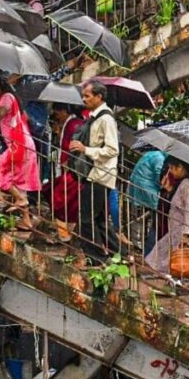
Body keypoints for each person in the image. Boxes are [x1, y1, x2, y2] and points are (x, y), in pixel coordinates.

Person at [145, 159, 189, 294]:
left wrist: (186, 235)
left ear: (180, 167)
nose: (170, 171)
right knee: (184, 265)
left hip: (187, 234)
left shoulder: (188, 185)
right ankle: (177, 287)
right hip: (180, 232)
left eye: (172, 168)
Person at [68, 80, 120, 259]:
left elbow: (112, 150)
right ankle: (119, 255)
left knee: (86, 217)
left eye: (87, 96)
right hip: (96, 174)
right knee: (98, 219)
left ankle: (96, 258)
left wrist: (86, 149)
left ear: (99, 97)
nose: (84, 99)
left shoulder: (106, 119)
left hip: (100, 174)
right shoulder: (95, 117)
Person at [0, 74, 41, 228]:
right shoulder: (4, 97)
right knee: (19, 183)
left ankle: (20, 200)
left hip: (19, 145)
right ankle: (26, 220)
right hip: (23, 144)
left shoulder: (7, 97)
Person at [42, 103, 84, 242]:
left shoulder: (73, 124)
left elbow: (71, 147)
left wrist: (68, 164)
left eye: (57, 113)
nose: (56, 116)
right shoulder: (71, 123)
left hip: (71, 170)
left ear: (64, 111)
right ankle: (65, 233)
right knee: (68, 204)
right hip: (69, 169)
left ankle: (63, 234)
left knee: (58, 200)